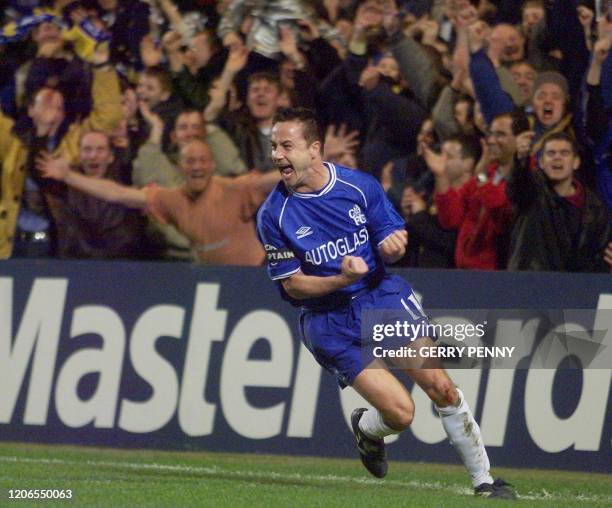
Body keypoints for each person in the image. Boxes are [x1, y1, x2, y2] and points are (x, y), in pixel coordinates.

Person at [256, 107, 515, 499]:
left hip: (381, 297)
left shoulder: (359, 187)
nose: (277, 155)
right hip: (330, 321)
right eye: (274, 146)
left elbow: (391, 242)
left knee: (440, 386)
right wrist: (341, 278)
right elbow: (292, 286)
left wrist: (393, 246)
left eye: (286, 146)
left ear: (314, 149)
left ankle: (484, 481)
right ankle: (366, 429)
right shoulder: (273, 215)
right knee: (401, 414)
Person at [37, 138, 279, 266]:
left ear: (212, 165)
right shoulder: (171, 199)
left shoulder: (235, 189)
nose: (196, 167)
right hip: (213, 280)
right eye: (190, 161)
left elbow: (276, 179)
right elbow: (117, 194)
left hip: (256, 276)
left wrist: (315, 164)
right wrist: (68, 176)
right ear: (180, 166)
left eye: (202, 161)